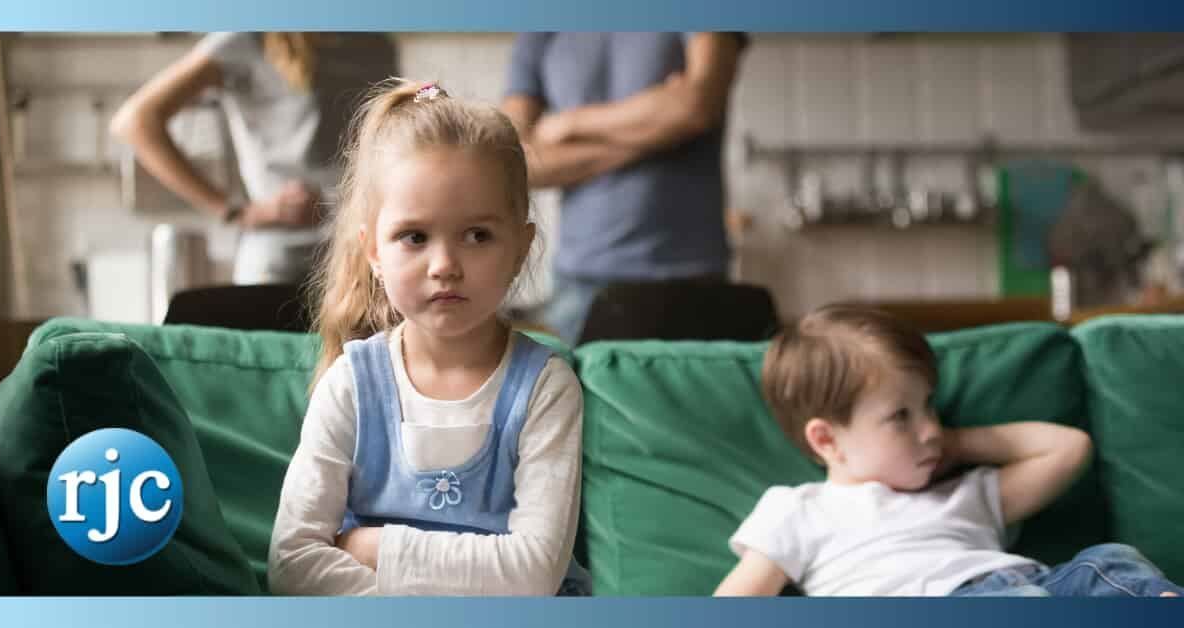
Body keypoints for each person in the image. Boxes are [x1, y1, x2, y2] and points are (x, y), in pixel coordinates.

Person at [266, 79, 588, 596]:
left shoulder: (546, 389)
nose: (445, 266)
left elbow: (532, 574)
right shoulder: (350, 383)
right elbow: (293, 564)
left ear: (521, 248)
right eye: (414, 237)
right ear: (372, 250)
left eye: (477, 235)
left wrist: (375, 547)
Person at [714, 304, 1183, 597]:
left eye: (930, 407)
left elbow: (1068, 448)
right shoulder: (798, 510)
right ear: (826, 439)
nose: (931, 429)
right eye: (901, 416)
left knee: (1107, 562)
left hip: (1035, 587)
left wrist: (959, 444)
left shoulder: (967, 494)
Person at [501, 32, 747, 345]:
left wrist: (571, 123)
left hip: (690, 277)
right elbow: (512, 160)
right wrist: (661, 130)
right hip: (579, 285)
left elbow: (698, 104)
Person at [110, 32, 396, 285]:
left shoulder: (374, 41)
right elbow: (135, 121)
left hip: (361, 256)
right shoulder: (246, 40)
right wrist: (237, 211)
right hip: (283, 261)